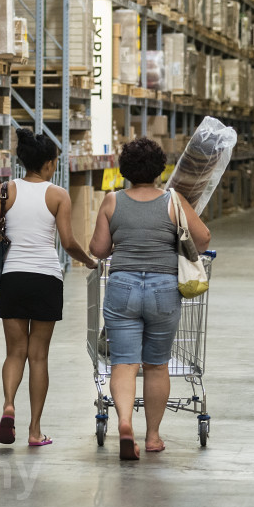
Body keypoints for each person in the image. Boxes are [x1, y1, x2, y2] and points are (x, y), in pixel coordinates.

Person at [89, 137, 210, 460]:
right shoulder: (174, 200)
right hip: (164, 288)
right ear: (160, 169)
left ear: (125, 170)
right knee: (156, 365)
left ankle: (125, 423)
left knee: (124, 363)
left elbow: (98, 250)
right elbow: (203, 238)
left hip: (122, 287)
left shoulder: (112, 201)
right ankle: (153, 436)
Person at [0, 129, 97, 447]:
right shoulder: (58, 195)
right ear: (47, 164)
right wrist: (88, 261)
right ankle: (34, 431)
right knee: (39, 357)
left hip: (13, 277)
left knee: (14, 352)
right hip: (46, 278)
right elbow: (69, 242)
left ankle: (8, 406)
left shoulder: (5, 191)